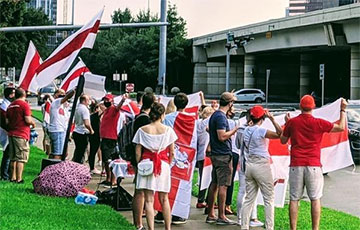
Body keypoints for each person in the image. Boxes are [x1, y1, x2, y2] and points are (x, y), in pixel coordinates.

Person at [280, 95, 347, 230]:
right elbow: (340, 127)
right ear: (313, 107)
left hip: (296, 164)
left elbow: (282, 140)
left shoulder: (292, 123)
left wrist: (287, 123)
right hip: (314, 165)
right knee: (315, 199)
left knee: (294, 199)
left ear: (300, 107)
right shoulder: (319, 123)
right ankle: (315, 229)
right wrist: (343, 110)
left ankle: (293, 228)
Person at [132, 102, 178, 230]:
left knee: (149, 200)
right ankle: (168, 228)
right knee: (164, 199)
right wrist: (168, 162)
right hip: (162, 164)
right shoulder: (168, 130)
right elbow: (172, 151)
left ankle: (151, 228)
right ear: (162, 114)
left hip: (146, 164)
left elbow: (137, 151)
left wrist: (139, 162)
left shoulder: (142, 130)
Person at [240, 106, 282, 230]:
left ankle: (244, 226)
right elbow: (280, 134)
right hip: (261, 164)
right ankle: (269, 227)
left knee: (249, 198)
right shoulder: (261, 131)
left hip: (250, 164)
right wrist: (273, 119)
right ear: (262, 118)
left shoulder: (246, 130)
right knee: (268, 198)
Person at [206, 92, 238, 225]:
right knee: (223, 186)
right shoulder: (221, 117)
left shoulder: (215, 115)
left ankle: (211, 214)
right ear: (230, 103)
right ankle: (221, 215)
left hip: (216, 154)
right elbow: (222, 136)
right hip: (223, 155)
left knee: (214, 184)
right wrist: (234, 130)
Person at [132, 92, 156, 230]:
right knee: (140, 191)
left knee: (140, 190)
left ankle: (138, 221)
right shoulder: (145, 120)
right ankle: (138, 223)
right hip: (142, 158)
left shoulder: (139, 116)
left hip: (139, 158)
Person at [235, 111, 263, 227]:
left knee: (242, 190)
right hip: (254, 163)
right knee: (253, 191)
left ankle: (240, 218)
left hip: (243, 163)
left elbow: (237, 145)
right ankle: (253, 217)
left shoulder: (241, 130)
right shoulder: (258, 131)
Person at [6, 88, 36, 183]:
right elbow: (27, 120)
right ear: (24, 95)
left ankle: (12, 177)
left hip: (11, 133)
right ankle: (19, 179)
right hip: (21, 133)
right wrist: (33, 123)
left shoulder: (10, 106)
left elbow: (7, 121)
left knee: (13, 157)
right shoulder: (24, 105)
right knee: (21, 157)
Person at [99, 94, 126, 187]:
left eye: (107, 100)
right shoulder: (106, 111)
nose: (105, 102)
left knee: (110, 160)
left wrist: (122, 100)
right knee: (105, 159)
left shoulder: (113, 109)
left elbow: (118, 108)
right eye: (104, 100)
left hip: (110, 138)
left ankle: (112, 179)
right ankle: (108, 178)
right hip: (105, 137)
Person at [196, 106, 215, 209]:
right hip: (208, 153)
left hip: (199, 153)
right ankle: (208, 200)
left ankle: (200, 199)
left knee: (202, 177)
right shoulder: (210, 121)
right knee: (210, 177)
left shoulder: (198, 123)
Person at [48, 89, 75, 159]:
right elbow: (67, 97)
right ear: (56, 95)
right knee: (58, 154)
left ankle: (50, 167)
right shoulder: (56, 102)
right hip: (57, 130)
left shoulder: (62, 106)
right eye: (62, 93)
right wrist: (74, 90)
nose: (64, 94)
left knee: (62, 153)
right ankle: (55, 168)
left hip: (61, 130)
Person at [72, 95, 94, 164]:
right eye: (88, 100)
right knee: (81, 153)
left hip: (76, 131)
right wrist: (91, 130)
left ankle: (75, 165)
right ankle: (78, 167)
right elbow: (86, 123)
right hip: (82, 132)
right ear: (84, 101)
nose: (89, 102)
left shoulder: (77, 108)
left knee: (77, 151)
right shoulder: (84, 109)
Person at [0, 86, 15, 180]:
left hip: (7, 132)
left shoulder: (7, 105)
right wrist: (11, 130)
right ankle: (5, 174)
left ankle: (7, 173)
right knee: (8, 153)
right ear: (10, 95)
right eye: (13, 93)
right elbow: (3, 122)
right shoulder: (4, 107)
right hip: (5, 132)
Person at [88, 101, 104, 174]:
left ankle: (91, 166)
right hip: (95, 135)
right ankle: (92, 167)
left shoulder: (90, 116)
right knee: (93, 151)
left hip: (92, 135)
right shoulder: (95, 116)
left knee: (92, 151)